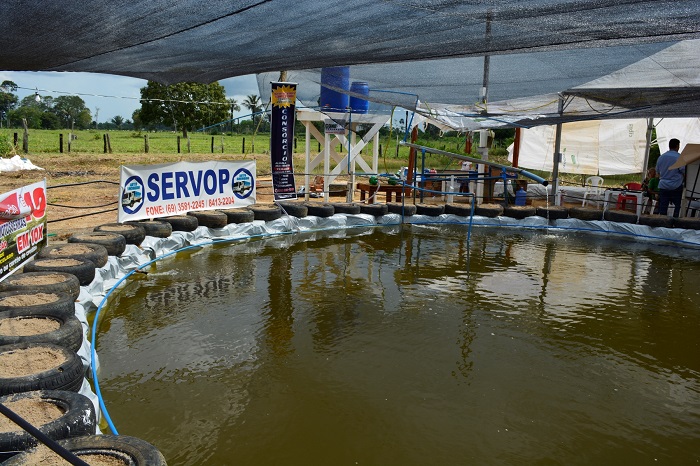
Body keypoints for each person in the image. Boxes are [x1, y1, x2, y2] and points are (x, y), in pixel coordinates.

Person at [656, 138, 685, 217]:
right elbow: (684, 171)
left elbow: (657, 172)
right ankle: (675, 223)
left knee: (663, 207)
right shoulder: (679, 157)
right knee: (677, 207)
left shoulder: (661, 157)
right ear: (677, 146)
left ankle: (662, 223)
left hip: (663, 185)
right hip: (676, 185)